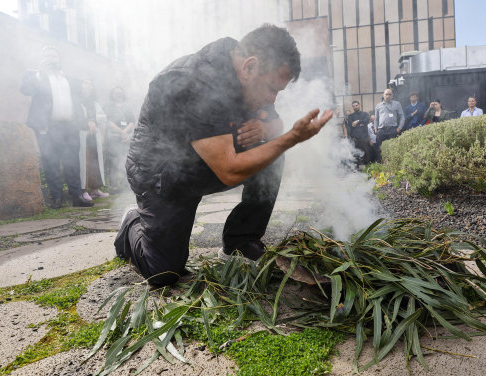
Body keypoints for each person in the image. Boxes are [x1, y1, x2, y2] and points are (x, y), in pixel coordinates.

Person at [114, 24, 333, 286]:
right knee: (164, 272)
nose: (272, 100)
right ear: (250, 67)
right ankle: (131, 224)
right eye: (271, 89)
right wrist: (291, 139)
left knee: (270, 152)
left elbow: (276, 125)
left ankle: (240, 242)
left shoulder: (246, 76)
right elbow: (229, 170)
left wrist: (266, 128)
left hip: (200, 164)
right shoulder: (195, 82)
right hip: (161, 174)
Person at [20, 46, 93, 208]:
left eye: (54, 56)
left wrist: (90, 117)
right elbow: (25, 90)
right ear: (41, 59)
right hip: (47, 128)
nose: (51, 59)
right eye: (47, 56)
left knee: (73, 162)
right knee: (51, 162)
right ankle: (57, 198)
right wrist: (40, 74)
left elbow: (83, 99)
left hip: (70, 127)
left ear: (59, 59)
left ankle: (77, 197)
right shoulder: (35, 75)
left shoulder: (69, 78)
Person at [79, 79, 109, 201]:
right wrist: (87, 123)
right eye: (85, 83)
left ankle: (95, 190)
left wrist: (102, 135)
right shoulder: (78, 102)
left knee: (95, 163)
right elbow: (77, 118)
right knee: (84, 163)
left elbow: (102, 119)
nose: (88, 86)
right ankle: (84, 190)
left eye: (90, 83)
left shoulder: (95, 103)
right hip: (83, 135)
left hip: (95, 136)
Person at [104, 86, 136, 194]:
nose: (118, 94)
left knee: (126, 161)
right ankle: (114, 186)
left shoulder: (128, 106)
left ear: (123, 94)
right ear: (112, 94)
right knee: (113, 162)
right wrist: (121, 132)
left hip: (126, 137)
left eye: (120, 92)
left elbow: (132, 121)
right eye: (116, 93)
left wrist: (125, 132)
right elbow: (108, 121)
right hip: (113, 136)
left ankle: (127, 185)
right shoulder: (108, 106)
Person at [374, 89, 404, 163]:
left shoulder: (397, 104)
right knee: (379, 148)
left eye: (389, 94)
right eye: (386, 94)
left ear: (392, 95)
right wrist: (375, 128)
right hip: (381, 130)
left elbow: (402, 116)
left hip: (392, 129)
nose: (388, 96)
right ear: (383, 95)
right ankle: (380, 164)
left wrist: (399, 128)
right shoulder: (378, 106)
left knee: (393, 147)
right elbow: (376, 119)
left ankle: (392, 163)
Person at [347, 101, 371, 165]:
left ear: (359, 105)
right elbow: (351, 124)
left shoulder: (365, 114)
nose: (355, 107)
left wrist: (358, 121)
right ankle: (356, 168)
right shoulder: (350, 116)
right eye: (354, 106)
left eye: (356, 105)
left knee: (366, 152)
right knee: (355, 153)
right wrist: (362, 123)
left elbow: (366, 121)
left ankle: (367, 167)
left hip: (364, 137)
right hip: (355, 138)